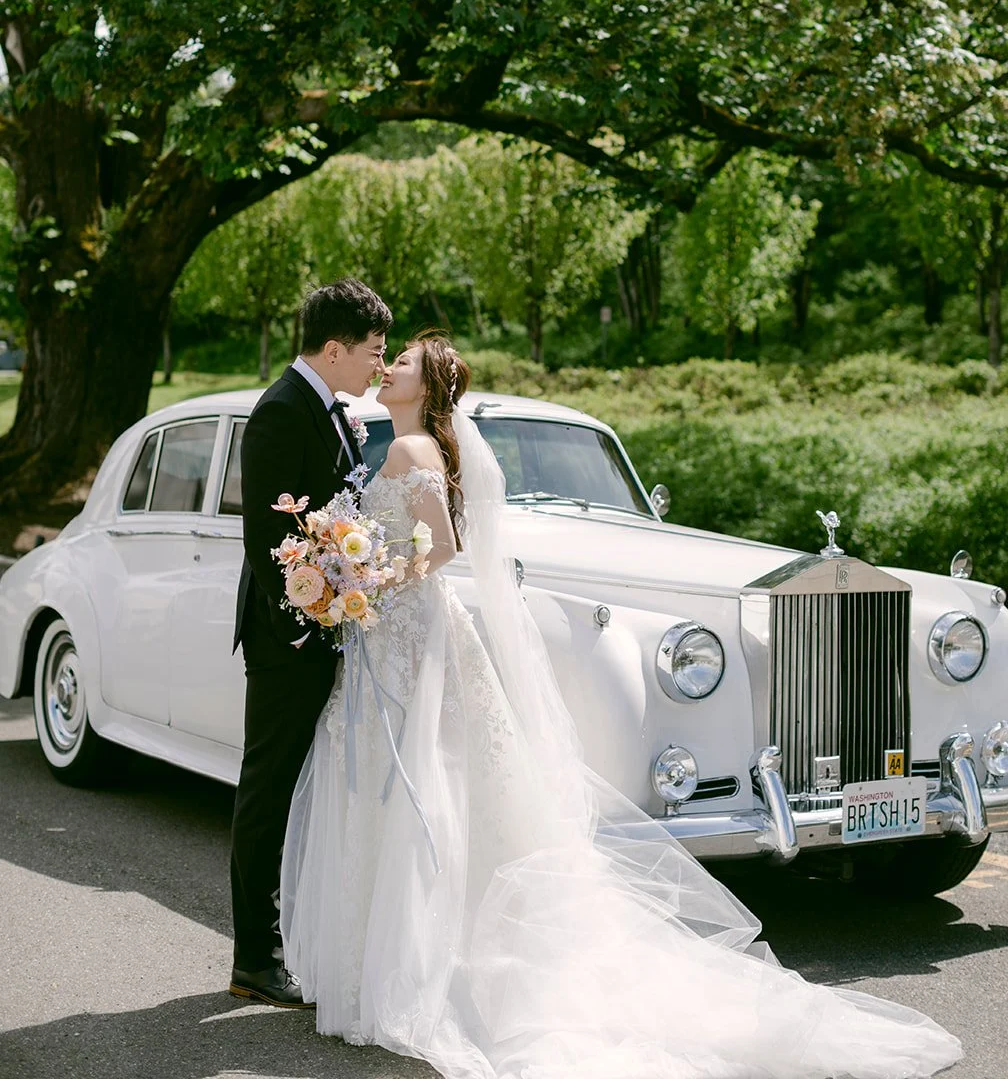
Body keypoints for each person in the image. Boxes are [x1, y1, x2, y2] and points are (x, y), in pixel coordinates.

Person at [281, 332, 963, 1077]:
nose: (387, 369)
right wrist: (350, 570)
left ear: (429, 387)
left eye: (401, 363)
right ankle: (403, 959)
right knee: (419, 787)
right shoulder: (405, 446)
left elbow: (437, 548)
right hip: (398, 636)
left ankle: (403, 968)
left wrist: (366, 579)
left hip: (405, 629)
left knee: (418, 788)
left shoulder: (413, 453)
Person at [229, 277, 391, 1008]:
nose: (377, 368)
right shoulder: (279, 411)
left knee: (294, 788)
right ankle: (253, 959)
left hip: (325, 625)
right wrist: (305, 625)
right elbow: (268, 540)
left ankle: (284, 944)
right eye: (372, 353)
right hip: (286, 635)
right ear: (333, 350)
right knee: (266, 789)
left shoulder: (329, 408)